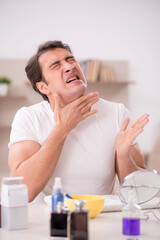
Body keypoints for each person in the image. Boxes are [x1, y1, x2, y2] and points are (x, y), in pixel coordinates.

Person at [8, 41, 149, 202]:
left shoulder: (117, 113)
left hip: (102, 219)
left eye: (70, 59)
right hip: (50, 220)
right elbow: (23, 191)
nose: (69, 67)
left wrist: (123, 155)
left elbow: (140, 196)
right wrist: (61, 129)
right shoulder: (29, 117)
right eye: (56, 65)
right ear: (43, 87)